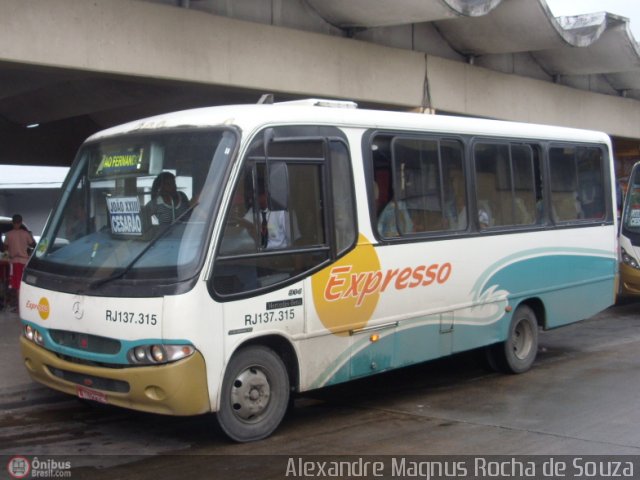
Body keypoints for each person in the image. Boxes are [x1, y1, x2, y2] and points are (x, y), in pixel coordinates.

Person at [4, 214, 36, 311]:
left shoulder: (8, 235)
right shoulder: (26, 234)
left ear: (13, 223)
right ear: (21, 222)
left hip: (14, 262)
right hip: (25, 261)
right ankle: (26, 305)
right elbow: (33, 245)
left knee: (17, 285)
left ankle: (19, 307)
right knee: (24, 284)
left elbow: (5, 247)